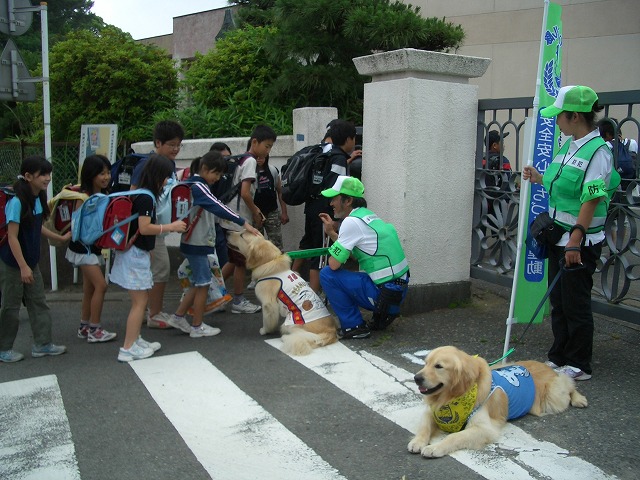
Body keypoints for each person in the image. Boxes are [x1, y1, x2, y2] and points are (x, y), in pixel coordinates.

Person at [522, 85, 620, 381]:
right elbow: (563, 187)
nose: (556, 121)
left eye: (559, 116)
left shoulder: (599, 152)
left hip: (579, 242)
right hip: (557, 237)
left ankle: (579, 364)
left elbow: (592, 197)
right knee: (559, 301)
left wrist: (575, 240)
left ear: (574, 116)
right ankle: (559, 356)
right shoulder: (569, 144)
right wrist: (539, 178)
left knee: (575, 304)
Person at [167, 151, 260, 336]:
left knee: (197, 282)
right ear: (205, 169)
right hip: (197, 243)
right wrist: (243, 222)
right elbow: (218, 206)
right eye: (216, 174)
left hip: (193, 242)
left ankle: (178, 317)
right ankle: (197, 326)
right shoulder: (198, 187)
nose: (217, 179)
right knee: (203, 283)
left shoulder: (191, 184)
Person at [111, 154, 187, 362]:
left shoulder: (140, 193)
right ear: (157, 176)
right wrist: (170, 227)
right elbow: (145, 228)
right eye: (166, 176)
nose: (168, 181)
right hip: (135, 255)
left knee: (141, 300)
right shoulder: (146, 197)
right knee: (140, 302)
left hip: (134, 253)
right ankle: (128, 348)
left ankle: (135, 340)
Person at [318, 176, 410, 339]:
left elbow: (333, 264)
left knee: (327, 274)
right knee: (360, 274)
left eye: (335, 198)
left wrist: (332, 237)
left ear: (348, 201)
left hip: (384, 297)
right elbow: (355, 254)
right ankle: (380, 317)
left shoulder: (351, 221)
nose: (331, 203)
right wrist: (332, 233)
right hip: (395, 294)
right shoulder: (369, 216)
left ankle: (354, 326)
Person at [0, 156, 70, 362]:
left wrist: (60, 237)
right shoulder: (16, 202)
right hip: (13, 263)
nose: (48, 178)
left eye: (49, 173)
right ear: (28, 176)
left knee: (39, 302)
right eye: (43, 175)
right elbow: (12, 236)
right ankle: (4, 349)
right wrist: (23, 267)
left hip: (29, 263)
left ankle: (43, 344)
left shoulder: (37, 198)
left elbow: (35, 226)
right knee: (11, 307)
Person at [130, 120, 184, 329]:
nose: (176, 149)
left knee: (152, 271)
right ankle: (155, 314)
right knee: (160, 269)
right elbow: (134, 193)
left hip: (156, 227)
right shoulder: (148, 165)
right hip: (149, 229)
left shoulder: (167, 164)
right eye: (172, 145)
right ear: (158, 143)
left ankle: (145, 311)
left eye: (179, 145)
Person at [218, 125, 276, 314]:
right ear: (255, 142)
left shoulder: (242, 159)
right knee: (241, 261)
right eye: (267, 146)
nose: (268, 151)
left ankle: (214, 292)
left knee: (234, 260)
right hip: (238, 219)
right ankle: (238, 301)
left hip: (230, 217)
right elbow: (245, 193)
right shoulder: (250, 161)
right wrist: (256, 212)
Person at [291, 120, 353, 294]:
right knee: (319, 254)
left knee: (307, 243)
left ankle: (290, 281)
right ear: (348, 139)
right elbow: (336, 186)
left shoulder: (324, 150)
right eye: (353, 138)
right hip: (324, 207)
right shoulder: (339, 158)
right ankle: (315, 298)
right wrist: (335, 216)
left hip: (311, 204)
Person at [65, 154, 116, 343]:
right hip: (84, 249)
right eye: (101, 173)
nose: (106, 177)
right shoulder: (84, 198)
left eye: (108, 172)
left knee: (89, 289)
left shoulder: (98, 196)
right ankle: (95, 329)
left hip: (90, 249)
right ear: (91, 174)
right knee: (101, 286)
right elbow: (81, 229)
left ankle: (84, 326)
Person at [254, 154, 288, 251]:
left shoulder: (272, 170)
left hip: (272, 212)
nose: (259, 158)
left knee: (276, 245)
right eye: (256, 156)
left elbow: (280, 191)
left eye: (261, 156)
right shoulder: (248, 172)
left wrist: (284, 212)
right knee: (257, 245)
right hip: (255, 214)